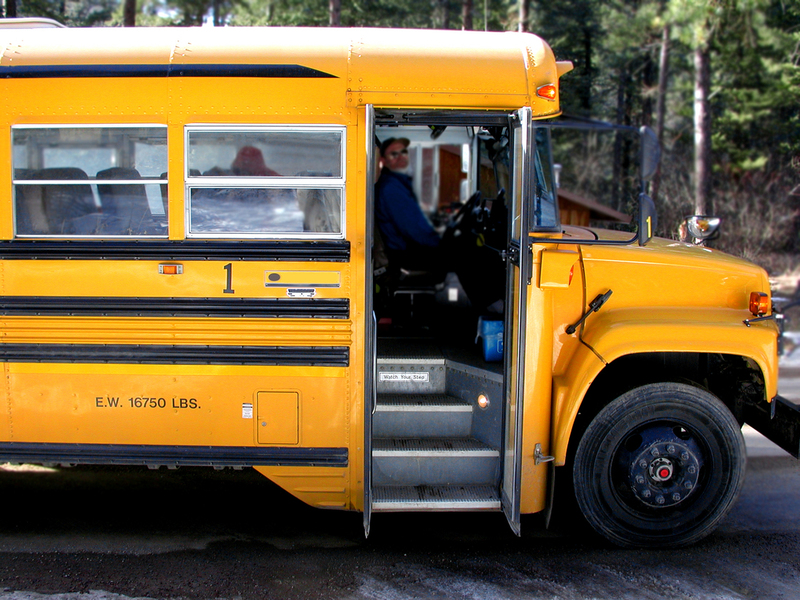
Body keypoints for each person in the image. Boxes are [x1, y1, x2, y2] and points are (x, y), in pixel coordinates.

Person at [375, 137, 445, 277]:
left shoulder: (398, 183)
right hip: (403, 256)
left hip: (407, 250)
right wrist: (442, 242)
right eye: (394, 154)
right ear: (383, 161)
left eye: (403, 152)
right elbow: (416, 230)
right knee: (465, 256)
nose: (401, 157)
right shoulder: (391, 188)